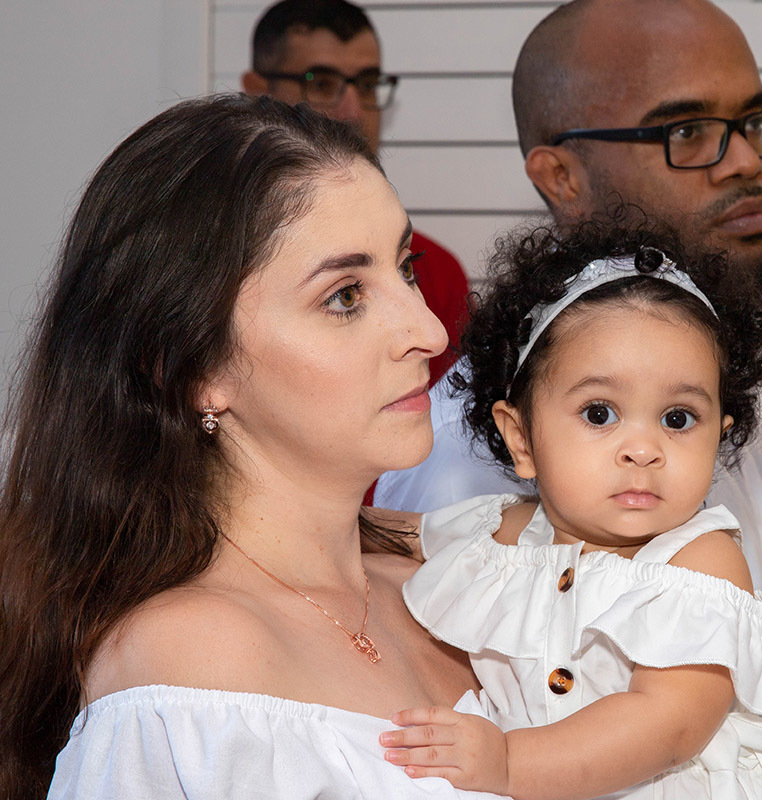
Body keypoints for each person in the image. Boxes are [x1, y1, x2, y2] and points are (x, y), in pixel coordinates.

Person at [372, 1, 762, 797]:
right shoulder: (444, 452)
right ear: (561, 175)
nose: (745, 162)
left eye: (754, 121)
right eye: (687, 131)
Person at [0, 94, 508, 800]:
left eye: (407, 267)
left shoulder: (454, 581)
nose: (426, 330)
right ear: (192, 367)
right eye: (344, 297)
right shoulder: (191, 660)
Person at [379, 221, 762, 800]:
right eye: (600, 413)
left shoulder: (700, 563)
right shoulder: (499, 531)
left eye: (678, 419)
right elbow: (393, 536)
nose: (643, 448)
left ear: (718, 439)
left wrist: (508, 759)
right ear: (522, 437)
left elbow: (667, 725)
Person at [243, 0, 469, 384]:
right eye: (322, 83)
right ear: (257, 91)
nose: (351, 111)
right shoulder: (214, 260)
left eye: (366, 85)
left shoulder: (437, 273)